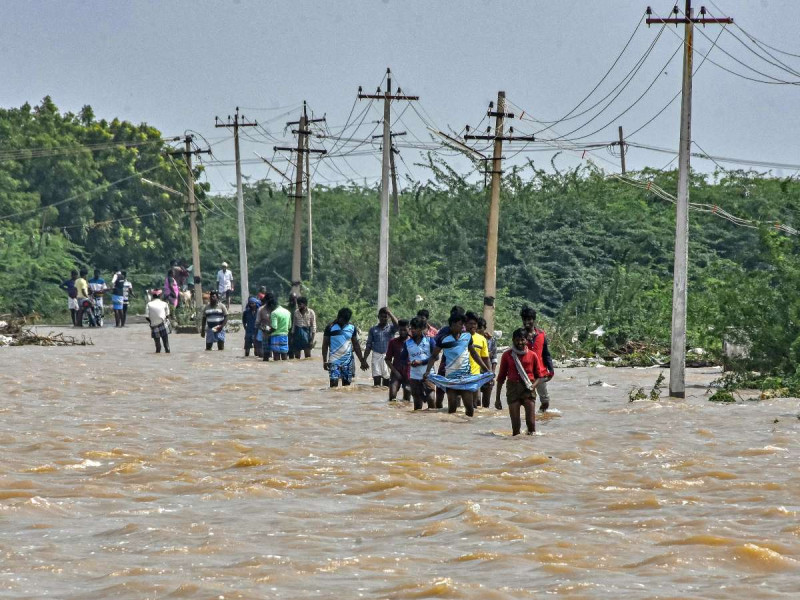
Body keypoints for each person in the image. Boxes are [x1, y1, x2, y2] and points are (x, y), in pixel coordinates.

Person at [424, 312, 491, 417]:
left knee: (469, 408)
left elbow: (474, 354)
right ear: (452, 325)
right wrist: (427, 371)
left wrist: (486, 369)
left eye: (462, 324)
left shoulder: (467, 337)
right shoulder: (443, 339)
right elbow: (433, 356)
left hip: (466, 378)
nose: (462, 327)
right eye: (460, 324)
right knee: (452, 408)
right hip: (451, 379)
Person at [495, 328, 548, 435]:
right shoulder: (507, 355)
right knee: (515, 428)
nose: (520, 343)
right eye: (517, 340)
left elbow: (540, 376)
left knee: (531, 425)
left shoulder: (532, 355)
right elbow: (501, 378)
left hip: (528, 390)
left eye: (522, 340)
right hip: (513, 390)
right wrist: (497, 399)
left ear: (527, 340)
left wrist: (534, 386)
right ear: (513, 340)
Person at [322, 307, 368, 388]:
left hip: (348, 361)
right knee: (333, 385)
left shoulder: (352, 328)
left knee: (346, 387)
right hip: (334, 361)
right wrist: (324, 361)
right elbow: (325, 345)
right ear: (338, 317)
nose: (344, 322)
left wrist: (362, 360)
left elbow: (356, 346)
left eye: (346, 320)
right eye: (342, 320)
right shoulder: (330, 327)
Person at [520, 306, 555, 412]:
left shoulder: (541, 335)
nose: (527, 322)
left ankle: (539, 417)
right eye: (525, 319)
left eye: (529, 319)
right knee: (528, 400)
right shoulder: (520, 335)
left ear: (533, 320)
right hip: (524, 373)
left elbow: (546, 354)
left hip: (540, 373)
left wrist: (551, 370)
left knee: (545, 402)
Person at [433, 306, 466, 408]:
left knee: (458, 393)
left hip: (460, 365)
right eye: (452, 315)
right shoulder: (445, 330)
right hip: (445, 362)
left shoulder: (465, 331)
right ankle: (439, 411)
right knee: (439, 390)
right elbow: (436, 344)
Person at [405, 316, 437, 410]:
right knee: (417, 404)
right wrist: (409, 363)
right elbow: (403, 359)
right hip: (414, 376)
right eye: (411, 328)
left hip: (428, 374)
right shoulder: (407, 343)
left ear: (421, 329)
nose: (412, 330)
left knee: (431, 399)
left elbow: (436, 357)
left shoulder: (430, 341)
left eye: (415, 328)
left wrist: (421, 362)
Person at [363, 307, 398, 387]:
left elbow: (398, 325)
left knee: (386, 381)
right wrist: (364, 360)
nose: (383, 319)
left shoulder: (391, 328)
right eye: (381, 316)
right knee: (376, 380)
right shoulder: (373, 330)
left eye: (385, 317)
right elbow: (368, 345)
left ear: (388, 318)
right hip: (376, 355)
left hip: (388, 356)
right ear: (378, 317)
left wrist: (390, 313)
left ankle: (385, 398)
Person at [465, 312, 491, 409]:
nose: (473, 326)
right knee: (459, 405)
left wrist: (489, 373)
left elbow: (485, 358)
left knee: (474, 404)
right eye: (470, 323)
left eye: (474, 324)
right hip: (461, 375)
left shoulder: (482, 339)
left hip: (475, 375)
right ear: (465, 324)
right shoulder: (460, 337)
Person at [385, 319, 411, 402]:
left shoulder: (412, 342)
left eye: (404, 330)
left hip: (409, 373)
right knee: (392, 396)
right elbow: (388, 360)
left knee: (407, 399)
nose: (402, 332)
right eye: (400, 330)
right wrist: (396, 372)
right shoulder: (393, 342)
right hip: (396, 372)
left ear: (409, 329)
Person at [478, 317, 498, 409]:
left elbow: (494, 358)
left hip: (487, 373)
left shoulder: (491, 340)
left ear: (484, 328)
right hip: (475, 373)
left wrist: (492, 373)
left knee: (486, 403)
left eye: (480, 327)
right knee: (476, 401)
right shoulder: (470, 339)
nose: (478, 330)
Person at [266, 295, 291, 361]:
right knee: (284, 353)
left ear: (272, 305)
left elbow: (274, 327)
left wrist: (268, 332)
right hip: (285, 336)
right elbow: (289, 326)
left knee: (276, 355)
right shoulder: (287, 312)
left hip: (275, 336)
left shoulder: (274, 313)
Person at [145, 289, 171, 354]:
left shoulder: (149, 304)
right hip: (163, 325)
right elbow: (167, 315)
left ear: (153, 296)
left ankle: (157, 354)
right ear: (160, 296)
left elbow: (147, 317)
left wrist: (151, 322)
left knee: (158, 346)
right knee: (166, 345)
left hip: (154, 326)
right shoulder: (165, 304)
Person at [255, 295, 273, 362]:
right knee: (266, 355)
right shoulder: (261, 309)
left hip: (275, 333)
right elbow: (257, 323)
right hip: (265, 333)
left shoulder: (275, 308)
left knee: (276, 355)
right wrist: (263, 329)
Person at [287, 293, 299, 359]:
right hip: (288, 329)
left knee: (296, 347)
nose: (293, 300)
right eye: (291, 299)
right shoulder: (286, 308)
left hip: (297, 329)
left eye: (294, 299)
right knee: (289, 345)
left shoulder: (298, 308)